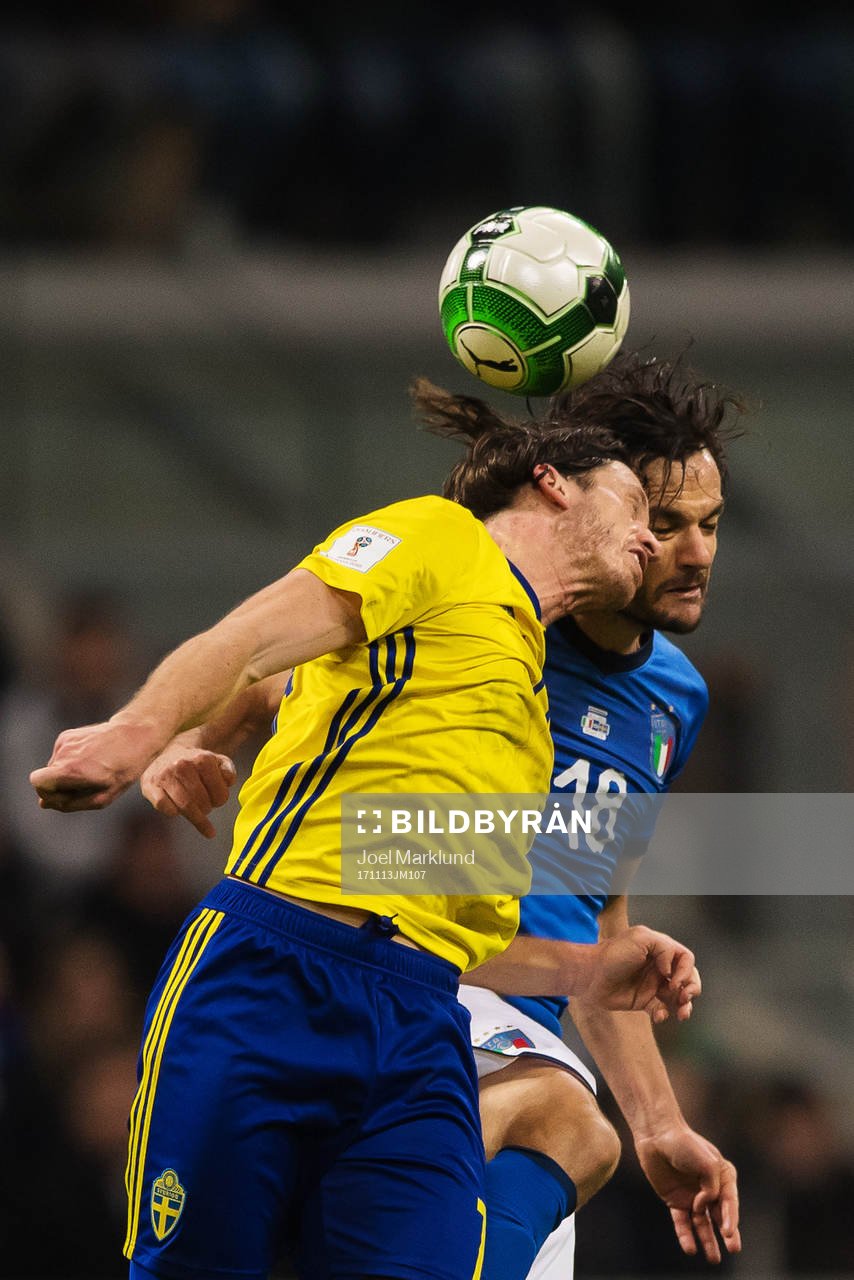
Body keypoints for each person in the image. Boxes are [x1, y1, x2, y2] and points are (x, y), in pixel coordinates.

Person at [31, 418, 698, 1280]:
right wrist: (141, 732)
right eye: (636, 504)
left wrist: (587, 971)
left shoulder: (526, 714)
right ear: (551, 482)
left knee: (562, 1152)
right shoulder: (443, 538)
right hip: (271, 972)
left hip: (419, 1023)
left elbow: (458, 927)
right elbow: (255, 638)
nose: (651, 536)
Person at [434, 352, 745, 1280]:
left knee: (583, 1136)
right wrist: (180, 736)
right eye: (668, 525)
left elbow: (597, 922)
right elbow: (288, 673)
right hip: (426, 992)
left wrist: (660, 1122)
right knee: (574, 1128)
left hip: (537, 1033)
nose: (696, 553)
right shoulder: (490, 630)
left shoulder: (673, 699)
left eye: (712, 526)